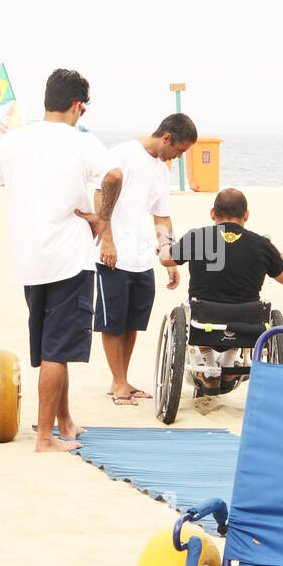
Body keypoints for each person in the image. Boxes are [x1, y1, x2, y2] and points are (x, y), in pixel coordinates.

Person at [0, 70, 123, 453]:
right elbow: (114, 175)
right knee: (58, 351)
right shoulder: (81, 142)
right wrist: (103, 218)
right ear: (78, 107)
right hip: (70, 261)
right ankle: (45, 438)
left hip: (29, 261)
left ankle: (65, 422)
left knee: (51, 348)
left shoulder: (13, 141)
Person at [94, 114, 198, 403]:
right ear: (167, 137)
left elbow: (162, 216)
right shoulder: (124, 154)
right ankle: (117, 383)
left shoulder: (161, 171)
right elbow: (100, 195)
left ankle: (123, 380)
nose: (178, 157)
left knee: (132, 322)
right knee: (112, 322)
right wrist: (108, 241)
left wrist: (170, 258)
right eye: (180, 150)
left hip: (142, 257)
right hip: (113, 254)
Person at [160, 187, 283, 394]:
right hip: (247, 323)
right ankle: (230, 360)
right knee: (241, 309)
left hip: (203, 319)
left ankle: (207, 363)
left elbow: (166, 259)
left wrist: (164, 245)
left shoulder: (198, 237)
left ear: (213, 213)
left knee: (194, 306)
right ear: (246, 214)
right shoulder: (261, 244)